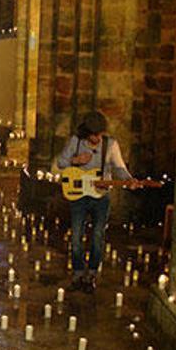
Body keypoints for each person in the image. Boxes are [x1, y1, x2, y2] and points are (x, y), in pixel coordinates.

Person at [56, 111, 140, 293]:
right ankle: (78, 273)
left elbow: (119, 168)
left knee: (97, 235)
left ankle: (92, 274)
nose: (98, 138)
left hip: (100, 196)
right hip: (78, 195)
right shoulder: (75, 141)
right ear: (86, 133)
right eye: (94, 134)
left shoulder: (110, 145)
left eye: (100, 134)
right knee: (77, 236)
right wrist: (76, 160)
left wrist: (129, 180)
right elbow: (61, 163)